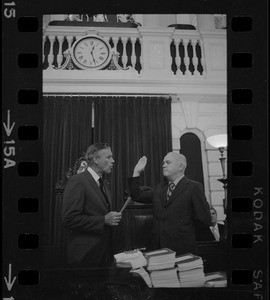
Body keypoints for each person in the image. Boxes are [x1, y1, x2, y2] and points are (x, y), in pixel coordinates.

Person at [128, 153, 212, 256]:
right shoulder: (159, 188)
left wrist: (183, 232)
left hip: (182, 250)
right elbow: (136, 195)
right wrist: (136, 172)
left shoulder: (194, 187)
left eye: (168, 162)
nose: (163, 165)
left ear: (180, 166)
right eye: (163, 163)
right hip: (158, 249)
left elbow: (205, 219)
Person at [62, 142, 122, 267]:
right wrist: (103, 220)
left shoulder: (104, 183)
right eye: (108, 157)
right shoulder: (78, 181)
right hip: (84, 256)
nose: (113, 161)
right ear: (96, 159)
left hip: (103, 254)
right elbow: (69, 219)